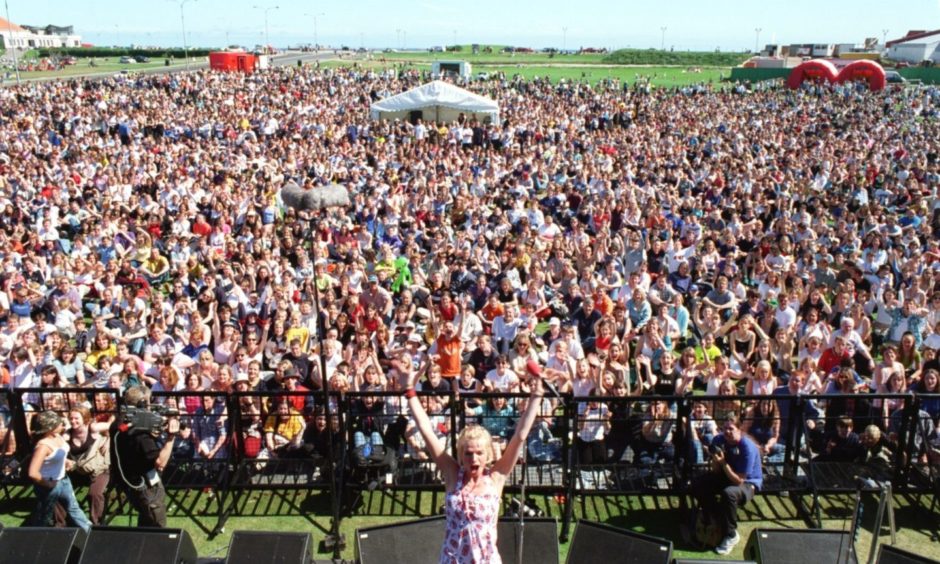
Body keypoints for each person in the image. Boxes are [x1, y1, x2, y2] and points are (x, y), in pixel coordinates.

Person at [396, 355, 544, 564]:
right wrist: (410, 392)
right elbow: (427, 431)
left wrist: (536, 396)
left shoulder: (496, 477)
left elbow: (520, 436)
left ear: (488, 455)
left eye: (479, 453)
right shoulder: (452, 474)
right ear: (460, 455)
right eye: (468, 453)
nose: (473, 458)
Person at [691, 414, 763, 555]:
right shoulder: (719, 439)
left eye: (731, 429)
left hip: (748, 484)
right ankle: (714, 517)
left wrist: (723, 463)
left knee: (729, 493)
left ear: (739, 429)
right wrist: (715, 460)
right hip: (726, 475)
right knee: (698, 484)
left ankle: (731, 535)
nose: (727, 432)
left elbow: (739, 481)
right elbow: (716, 471)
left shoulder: (746, 447)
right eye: (725, 429)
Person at [109, 385, 180, 527]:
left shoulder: (118, 423)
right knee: (156, 525)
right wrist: (171, 437)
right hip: (145, 485)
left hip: (128, 482)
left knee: (145, 520)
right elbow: (160, 462)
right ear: (142, 403)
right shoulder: (139, 434)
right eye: (148, 402)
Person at [27, 410, 91, 532]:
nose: (62, 425)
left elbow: (57, 455)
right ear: (50, 428)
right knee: (44, 517)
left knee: (74, 508)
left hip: (64, 480)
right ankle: (36, 538)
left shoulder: (57, 436)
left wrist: (66, 461)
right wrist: (48, 484)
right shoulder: (43, 446)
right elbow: (32, 472)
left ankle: (90, 532)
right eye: (58, 423)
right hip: (48, 485)